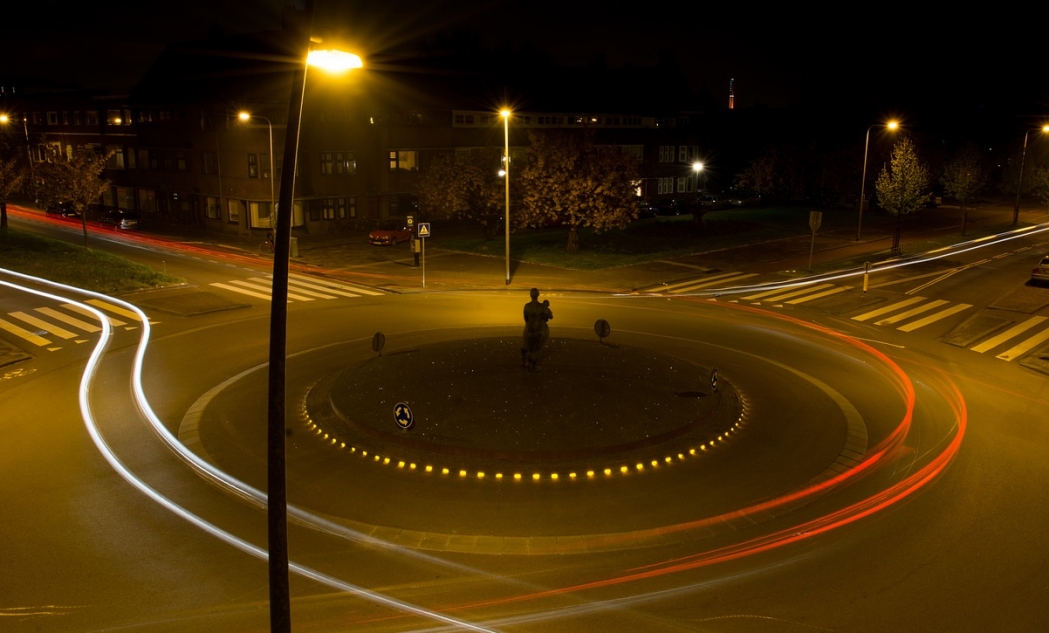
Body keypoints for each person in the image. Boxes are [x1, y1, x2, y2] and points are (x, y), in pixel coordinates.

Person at [521, 288, 553, 370]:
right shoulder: (541, 307)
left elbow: (526, 318)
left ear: (530, 295)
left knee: (528, 346)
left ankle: (527, 361)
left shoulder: (527, 306)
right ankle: (534, 365)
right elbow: (550, 316)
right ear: (538, 295)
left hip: (529, 329)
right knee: (535, 348)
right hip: (538, 329)